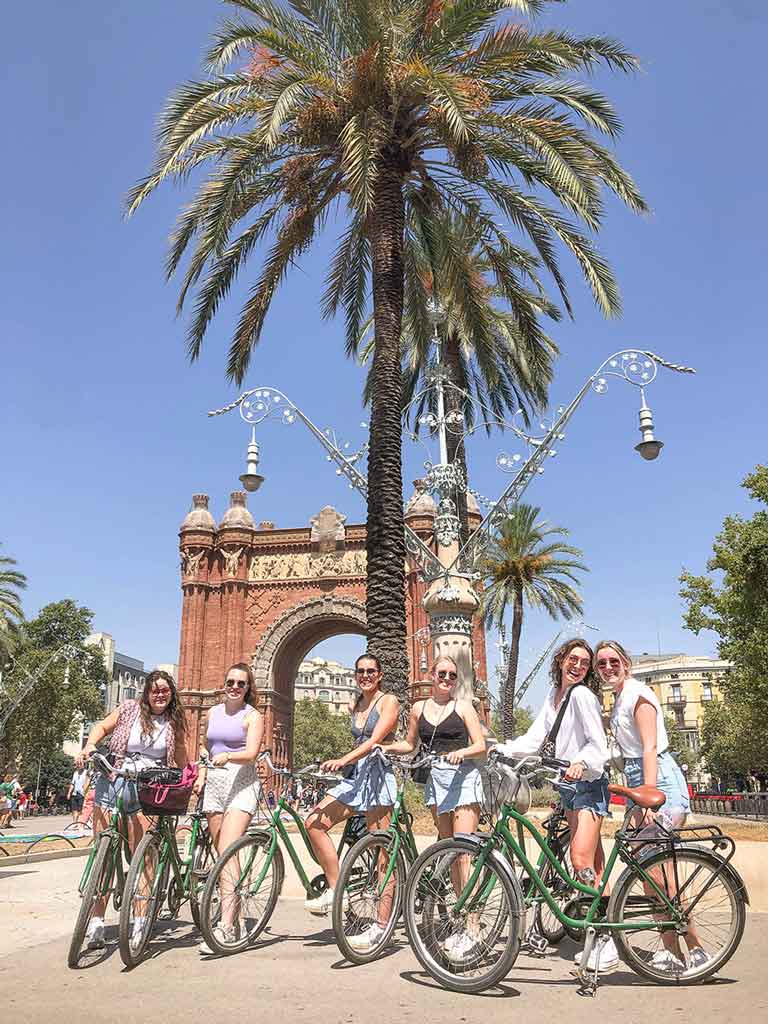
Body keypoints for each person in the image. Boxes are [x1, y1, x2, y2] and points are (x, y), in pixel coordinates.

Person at [496, 638, 615, 973]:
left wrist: (581, 762)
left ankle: (604, 941)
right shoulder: (554, 696)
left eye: (584, 662)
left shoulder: (582, 695)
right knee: (593, 863)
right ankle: (603, 923)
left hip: (588, 785)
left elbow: (597, 744)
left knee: (580, 859)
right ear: (561, 660)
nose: (578, 666)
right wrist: (502, 748)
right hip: (568, 788)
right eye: (573, 659)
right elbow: (536, 738)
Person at [595, 639, 709, 974]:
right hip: (640, 782)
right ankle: (672, 953)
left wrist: (648, 795)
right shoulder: (619, 699)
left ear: (625, 663)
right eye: (601, 664)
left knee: (663, 877)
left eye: (613, 661)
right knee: (648, 876)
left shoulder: (639, 695)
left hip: (659, 784)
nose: (607, 668)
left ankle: (697, 950)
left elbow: (649, 748)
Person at [382, 655, 487, 962]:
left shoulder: (464, 706)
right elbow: (411, 744)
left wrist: (461, 752)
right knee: (448, 853)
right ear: (431, 675)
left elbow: (481, 745)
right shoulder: (418, 708)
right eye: (442, 673)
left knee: (464, 852)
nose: (447, 679)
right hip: (436, 783)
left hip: (464, 779)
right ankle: (460, 914)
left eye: (452, 675)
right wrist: (385, 747)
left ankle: (473, 926)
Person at [75, 668, 187, 951]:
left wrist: (186, 775)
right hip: (114, 779)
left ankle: (139, 920)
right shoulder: (128, 709)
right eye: (155, 689)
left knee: (144, 857)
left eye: (165, 690)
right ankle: (97, 922)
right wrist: (89, 745)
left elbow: (181, 757)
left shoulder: (174, 721)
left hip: (148, 789)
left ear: (171, 693)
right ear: (147, 692)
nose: (160, 694)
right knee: (103, 850)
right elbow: (101, 727)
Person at [303, 652, 399, 940]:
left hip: (378, 777)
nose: (365, 675)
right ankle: (337, 890)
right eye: (361, 671)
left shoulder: (389, 701)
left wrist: (343, 759)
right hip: (355, 778)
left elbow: (373, 741)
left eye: (371, 671)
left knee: (381, 853)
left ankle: (381, 928)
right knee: (314, 823)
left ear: (380, 674)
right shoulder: (355, 703)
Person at [193, 661, 264, 952]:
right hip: (215, 785)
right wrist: (202, 772)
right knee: (223, 852)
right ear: (225, 684)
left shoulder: (253, 716)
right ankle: (231, 907)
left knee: (228, 849)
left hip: (242, 784)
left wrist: (228, 757)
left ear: (248, 689)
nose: (234, 687)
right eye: (231, 682)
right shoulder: (212, 712)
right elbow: (204, 747)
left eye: (241, 684)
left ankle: (227, 927)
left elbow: (252, 753)